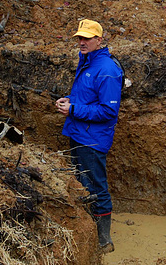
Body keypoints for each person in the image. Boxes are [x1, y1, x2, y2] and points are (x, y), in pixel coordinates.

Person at [55, 19, 123, 253]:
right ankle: (90, 233)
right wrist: (70, 100)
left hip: (92, 139)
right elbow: (89, 97)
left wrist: (73, 110)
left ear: (99, 40)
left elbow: (108, 110)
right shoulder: (87, 62)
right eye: (79, 38)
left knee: (96, 187)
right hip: (79, 133)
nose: (81, 42)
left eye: (86, 38)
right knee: (84, 184)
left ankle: (103, 241)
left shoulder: (107, 70)